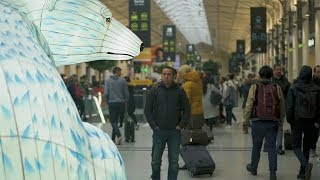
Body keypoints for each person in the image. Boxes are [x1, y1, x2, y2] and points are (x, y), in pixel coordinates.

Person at [144, 66, 191, 180]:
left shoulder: (179, 90)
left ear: (174, 76)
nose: (166, 76)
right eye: (164, 74)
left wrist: (180, 125)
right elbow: (147, 110)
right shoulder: (155, 90)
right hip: (159, 131)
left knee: (174, 162)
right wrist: (154, 126)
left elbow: (187, 109)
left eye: (168, 74)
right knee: (155, 161)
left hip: (174, 132)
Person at [243, 65, 285, 180]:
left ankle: (254, 167)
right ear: (271, 75)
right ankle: (272, 173)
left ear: (260, 75)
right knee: (272, 147)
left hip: (257, 122)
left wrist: (245, 122)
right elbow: (282, 106)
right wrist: (281, 121)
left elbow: (249, 105)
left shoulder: (254, 87)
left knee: (256, 146)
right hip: (272, 122)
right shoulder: (277, 87)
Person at [286, 65, 320, 179]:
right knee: (306, 147)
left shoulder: (293, 88)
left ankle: (306, 165)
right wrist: (317, 120)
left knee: (295, 146)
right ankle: (302, 173)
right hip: (310, 121)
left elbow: (290, 107)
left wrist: (290, 120)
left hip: (297, 121)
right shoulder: (317, 88)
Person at [104, 67, 129, 145]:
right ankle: (112, 138)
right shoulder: (123, 80)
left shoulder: (108, 81)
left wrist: (107, 100)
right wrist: (126, 100)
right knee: (116, 120)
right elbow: (126, 93)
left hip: (112, 103)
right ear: (116, 71)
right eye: (120, 71)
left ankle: (119, 135)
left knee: (113, 121)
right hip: (121, 103)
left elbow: (106, 93)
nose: (121, 73)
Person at [271, 64, 291, 155]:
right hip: (271, 108)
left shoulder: (285, 81)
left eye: (280, 69)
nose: (279, 71)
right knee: (270, 128)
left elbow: (289, 93)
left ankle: (279, 146)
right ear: (274, 70)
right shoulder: (270, 80)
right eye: (277, 69)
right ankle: (269, 145)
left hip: (281, 107)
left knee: (280, 127)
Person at [202, 74, 220, 142]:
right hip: (210, 105)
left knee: (204, 122)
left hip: (202, 105)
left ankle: (205, 136)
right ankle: (209, 136)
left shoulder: (200, 86)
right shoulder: (211, 86)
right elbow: (218, 92)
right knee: (210, 123)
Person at [310, 65, 320, 157]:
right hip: (314, 112)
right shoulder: (311, 83)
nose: (319, 73)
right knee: (314, 132)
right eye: (318, 72)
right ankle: (312, 148)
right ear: (314, 72)